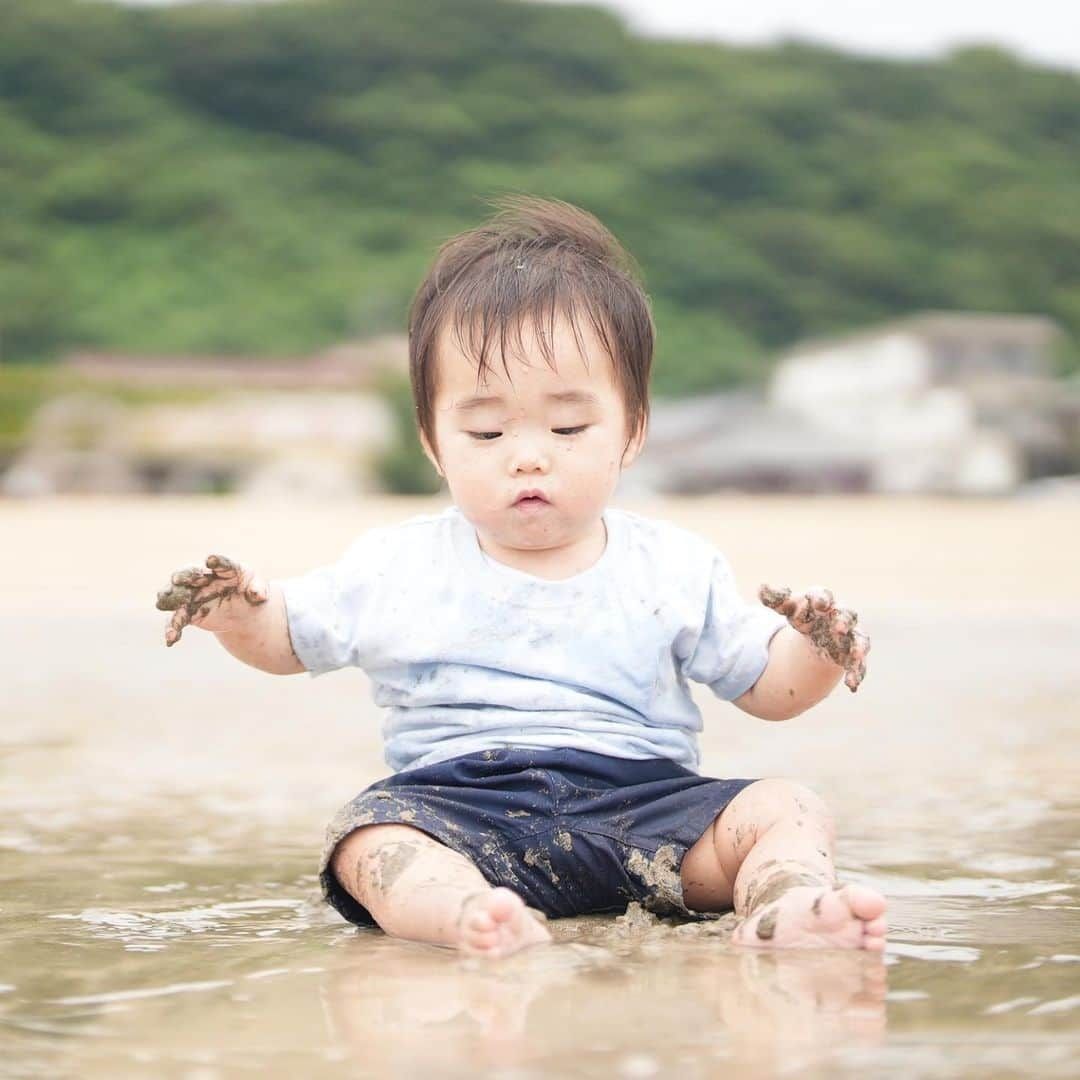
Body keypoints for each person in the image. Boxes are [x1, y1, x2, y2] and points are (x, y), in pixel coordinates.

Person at [156, 196, 886, 959]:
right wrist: (239, 612)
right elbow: (288, 638)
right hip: (463, 811)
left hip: (645, 814)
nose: (528, 454)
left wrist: (818, 651)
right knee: (369, 842)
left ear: (632, 430)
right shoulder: (395, 563)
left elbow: (770, 689)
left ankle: (785, 901)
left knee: (787, 806)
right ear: (435, 444)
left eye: (569, 428)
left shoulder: (674, 563)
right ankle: (468, 912)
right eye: (486, 430)